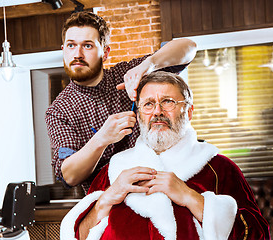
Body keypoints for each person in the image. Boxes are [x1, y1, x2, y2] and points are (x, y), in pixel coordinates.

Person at [60, 71, 270, 240]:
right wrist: (106, 199)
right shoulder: (113, 171)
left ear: (188, 112)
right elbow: (77, 235)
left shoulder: (220, 169)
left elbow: (257, 234)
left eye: (168, 102)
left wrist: (190, 197)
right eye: (148, 104)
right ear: (139, 114)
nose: (157, 111)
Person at [45, 11, 197, 193]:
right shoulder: (59, 110)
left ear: (105, 52)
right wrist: (102, 138)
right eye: (71, 45)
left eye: (87, 46)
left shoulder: (129, 73)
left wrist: (149, 65)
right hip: (108, 208)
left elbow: (189, 48)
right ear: (63, 50)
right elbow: (69, 176)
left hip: (160, 190)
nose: (77, 54)